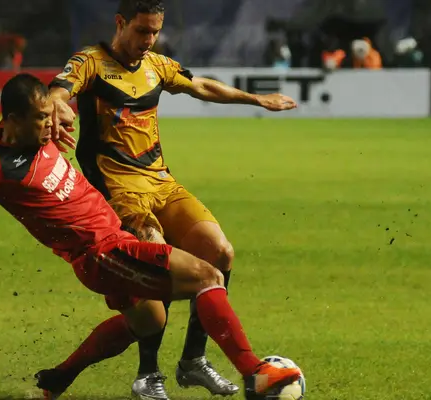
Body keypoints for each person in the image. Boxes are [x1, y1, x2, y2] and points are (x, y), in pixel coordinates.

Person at [0, 74, 302, 400]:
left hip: (114, 239)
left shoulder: (43, 130)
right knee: (209, 276)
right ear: (12, 122)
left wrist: (60, 110)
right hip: (104, 252)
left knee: (149, 320)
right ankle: (254, 373)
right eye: (40, 119)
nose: (49, 125)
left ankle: (58, 378)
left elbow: (61, 101)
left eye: (49, 116)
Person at [45, 1, 297, 398]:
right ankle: (148, 374)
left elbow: (202, 86)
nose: (148, 40)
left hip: (162, 183)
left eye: (155, 32)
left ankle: (193, 361)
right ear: (120, 23)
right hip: (118, 190)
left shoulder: (157, 65)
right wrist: (58, 107)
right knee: (154, 250)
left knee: (220, 252)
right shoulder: (90, 62)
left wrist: (255, 99)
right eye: (141, 31)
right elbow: (57, 91)